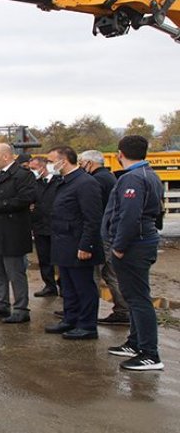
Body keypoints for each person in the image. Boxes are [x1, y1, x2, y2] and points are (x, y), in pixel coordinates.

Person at [103, 135, 165, 371]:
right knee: (133, 296)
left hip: (134, 246)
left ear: (120, 154)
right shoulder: (149, 174)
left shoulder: (133, 178)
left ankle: (150, 353)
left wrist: (118, 246)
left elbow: (129, 216)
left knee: (138, 299)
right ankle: (136, 343)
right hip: (139, 243)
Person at [43, 147, 104, 340]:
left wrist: (86, 246)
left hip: (78, 244)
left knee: (84, 287)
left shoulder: (85, 183)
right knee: (68, 286)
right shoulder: (65, 181)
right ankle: (71, 319)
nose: (49, 165)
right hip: (63, 243)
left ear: (64, 160)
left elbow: (92, 219)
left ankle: (87, 325)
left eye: (52, 161)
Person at [0, 143, 36, 324]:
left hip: (12, 231)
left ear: (6, 156)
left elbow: (25, 199)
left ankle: (21, 308)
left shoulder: (23, 175)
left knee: (15, 271)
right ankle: (0, 304)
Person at [80, 149, 129, 325]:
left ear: (89, 163)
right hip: (107, 231)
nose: (80, 166)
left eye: (81, 163)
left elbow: (93, 210)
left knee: (101, 273)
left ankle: (119, 311)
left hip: (101, 234)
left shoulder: (96, 180)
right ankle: (123, 309)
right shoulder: (108, 177)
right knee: (110, 272)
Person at [29, 157, 61, 297]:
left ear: (43, 167)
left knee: (60, 258)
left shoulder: (58, 182)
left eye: (34, 168)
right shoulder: (35, 184)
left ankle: (64, 285)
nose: (33, 171)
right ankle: (49, 285)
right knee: (44, 258)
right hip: (40, 226)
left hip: (56, 226)